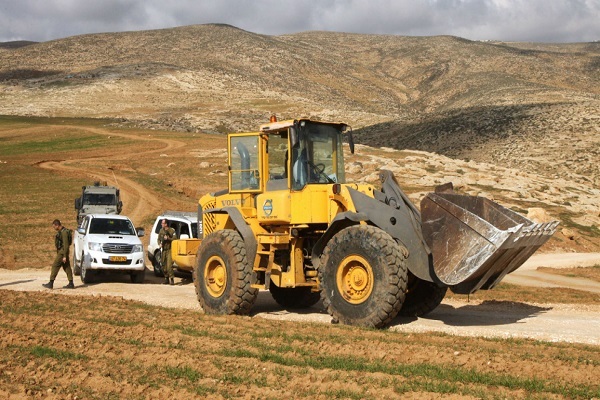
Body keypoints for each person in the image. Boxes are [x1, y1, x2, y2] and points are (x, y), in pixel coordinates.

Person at [42, 219, 74, 289]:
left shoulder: (64, 232)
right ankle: (71, 283)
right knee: (67, 267)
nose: (54, 228)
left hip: (62, 252)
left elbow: (65, 245)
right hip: (63, 252)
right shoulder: (63, 231)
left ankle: (51, 283)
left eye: (54, 227)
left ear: (57, 225)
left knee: (55, 266)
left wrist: (65, 256)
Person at [157, 218, 176, 285]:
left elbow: (175, 238)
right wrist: (159, 244)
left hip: (169, 250)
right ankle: (166, 278)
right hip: (164, 250)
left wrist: (168, 238)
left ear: (166, 224)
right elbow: (159, 239)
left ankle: (172, 279)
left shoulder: (171, 230)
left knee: (169, 266)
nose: (161, 224)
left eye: (162, 223)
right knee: (163, 265)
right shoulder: (161, 231)